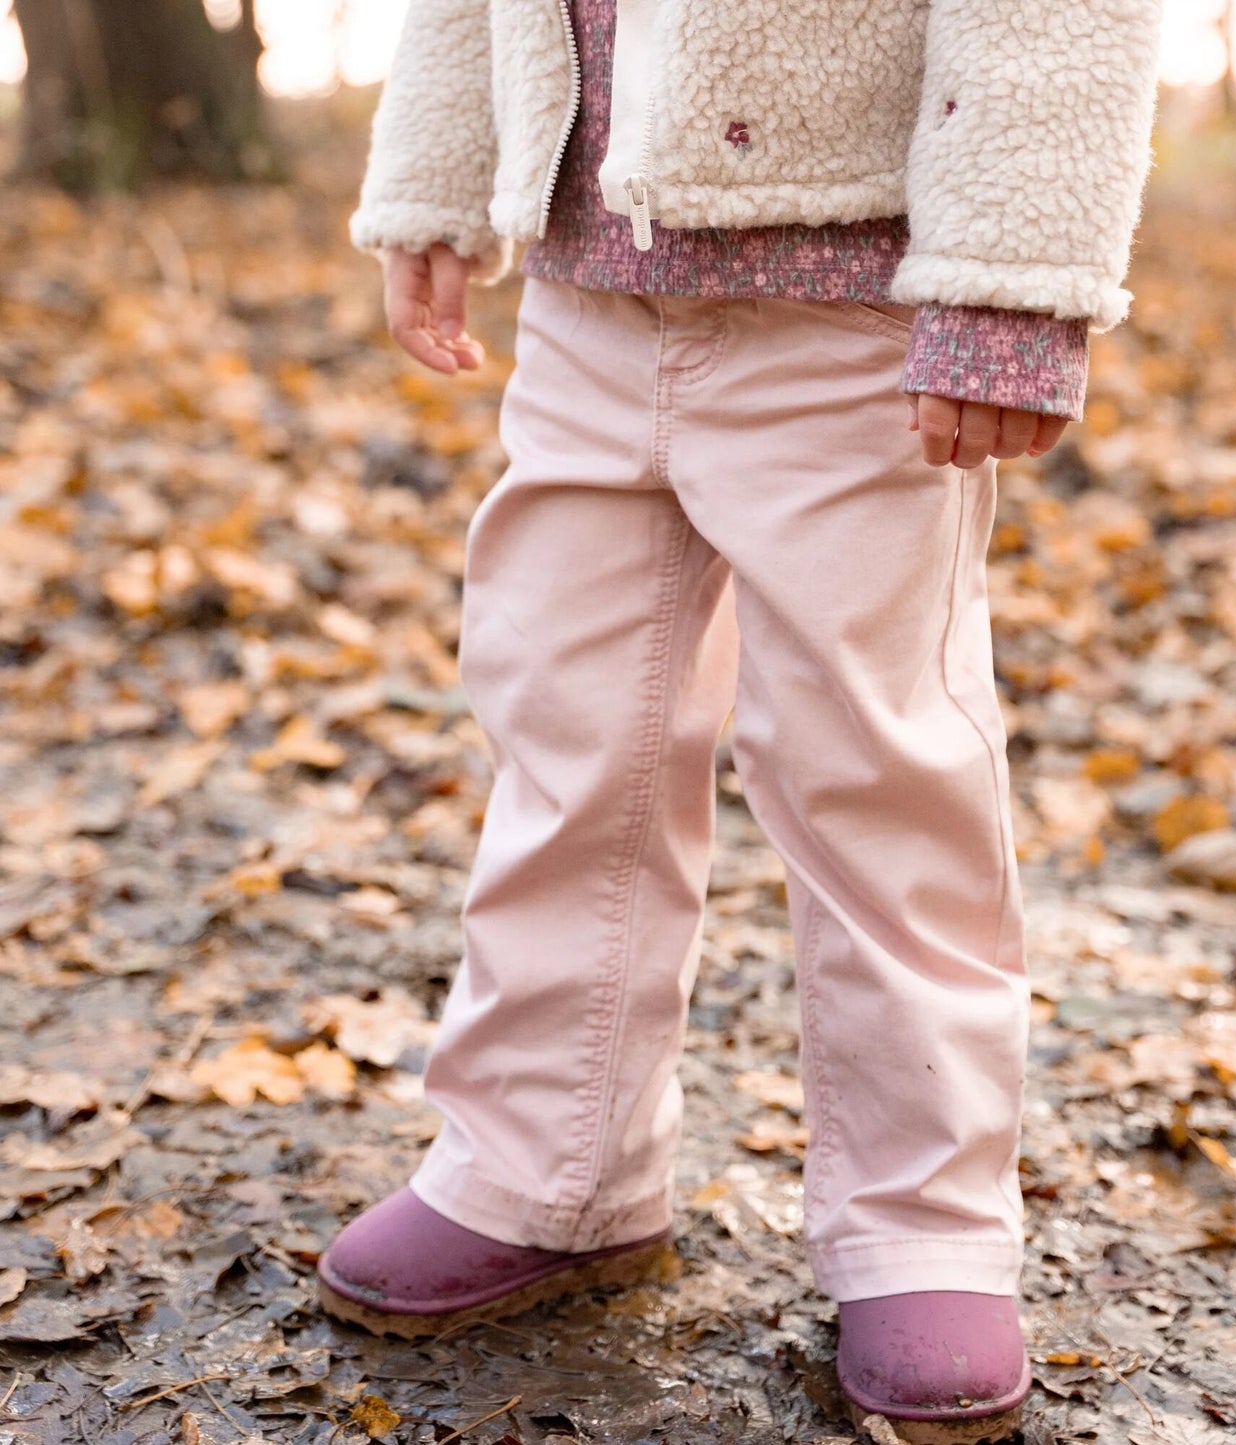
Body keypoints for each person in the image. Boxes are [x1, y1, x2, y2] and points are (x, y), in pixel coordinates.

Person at [317, 0, 1163, 1438]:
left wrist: (1013, 277)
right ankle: (545, 1165)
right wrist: (437, 177)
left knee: (872, 759)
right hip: (589, 297)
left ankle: (923, 1223)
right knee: (568, 727)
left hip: (856, 309)